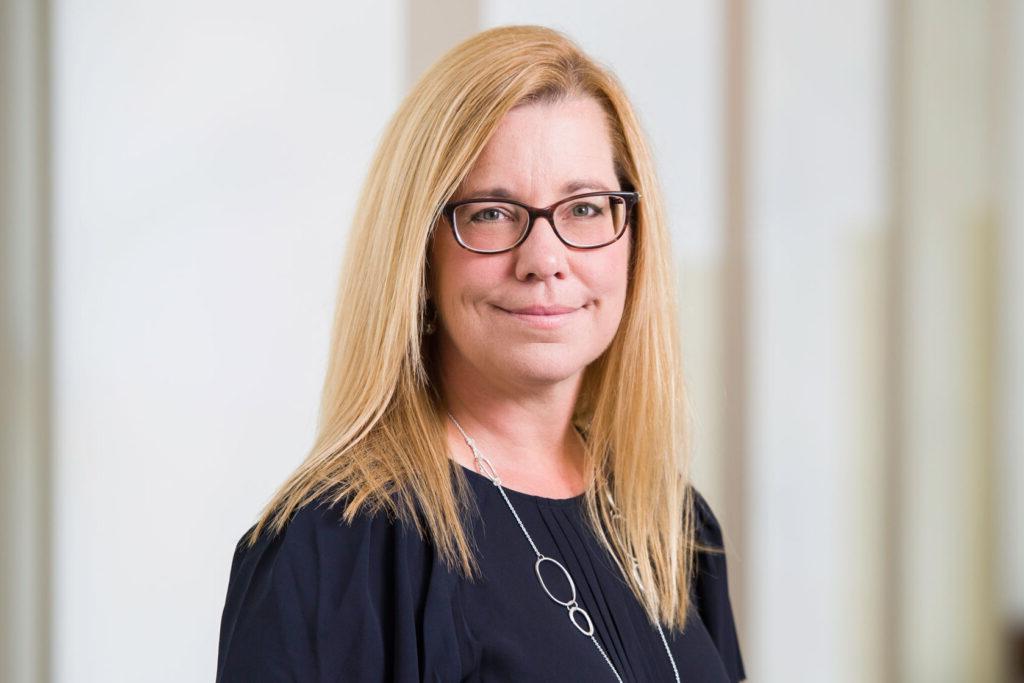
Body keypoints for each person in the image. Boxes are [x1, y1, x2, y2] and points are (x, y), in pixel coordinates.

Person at [216, 24, 746, 682]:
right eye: (493, 213)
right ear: (420, 254)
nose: (544, 260)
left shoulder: (675, 528)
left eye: (584, 208)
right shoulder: (332, 551)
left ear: (633, 237)